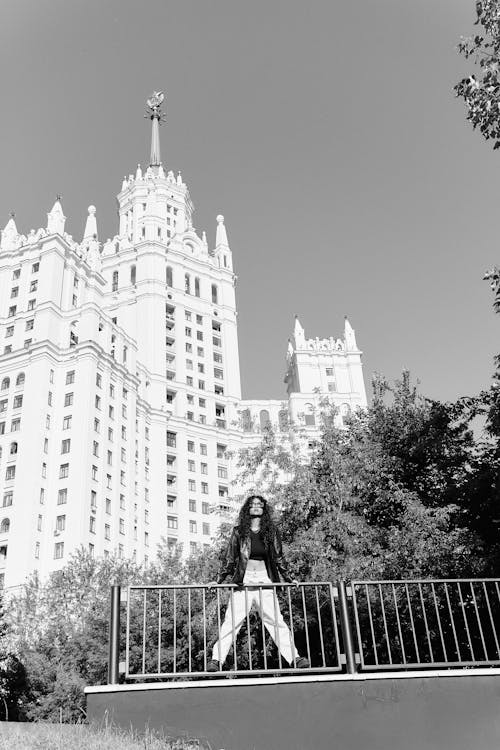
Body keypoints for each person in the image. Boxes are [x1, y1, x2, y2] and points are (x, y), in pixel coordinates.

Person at [206, 494, 310, 671]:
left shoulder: (271, 531)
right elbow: (230, 558)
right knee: (232, 622)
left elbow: (278, 557)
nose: (256, 507)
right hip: (244, 582)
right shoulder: (238, 531)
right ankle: (217, 660)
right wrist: (218, 580)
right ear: (247, 509)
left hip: (264, 580)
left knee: (276, 621)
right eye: (252, 504)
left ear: (264, 509)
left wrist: (289, 577)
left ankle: (295, 658)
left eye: (259, 505)